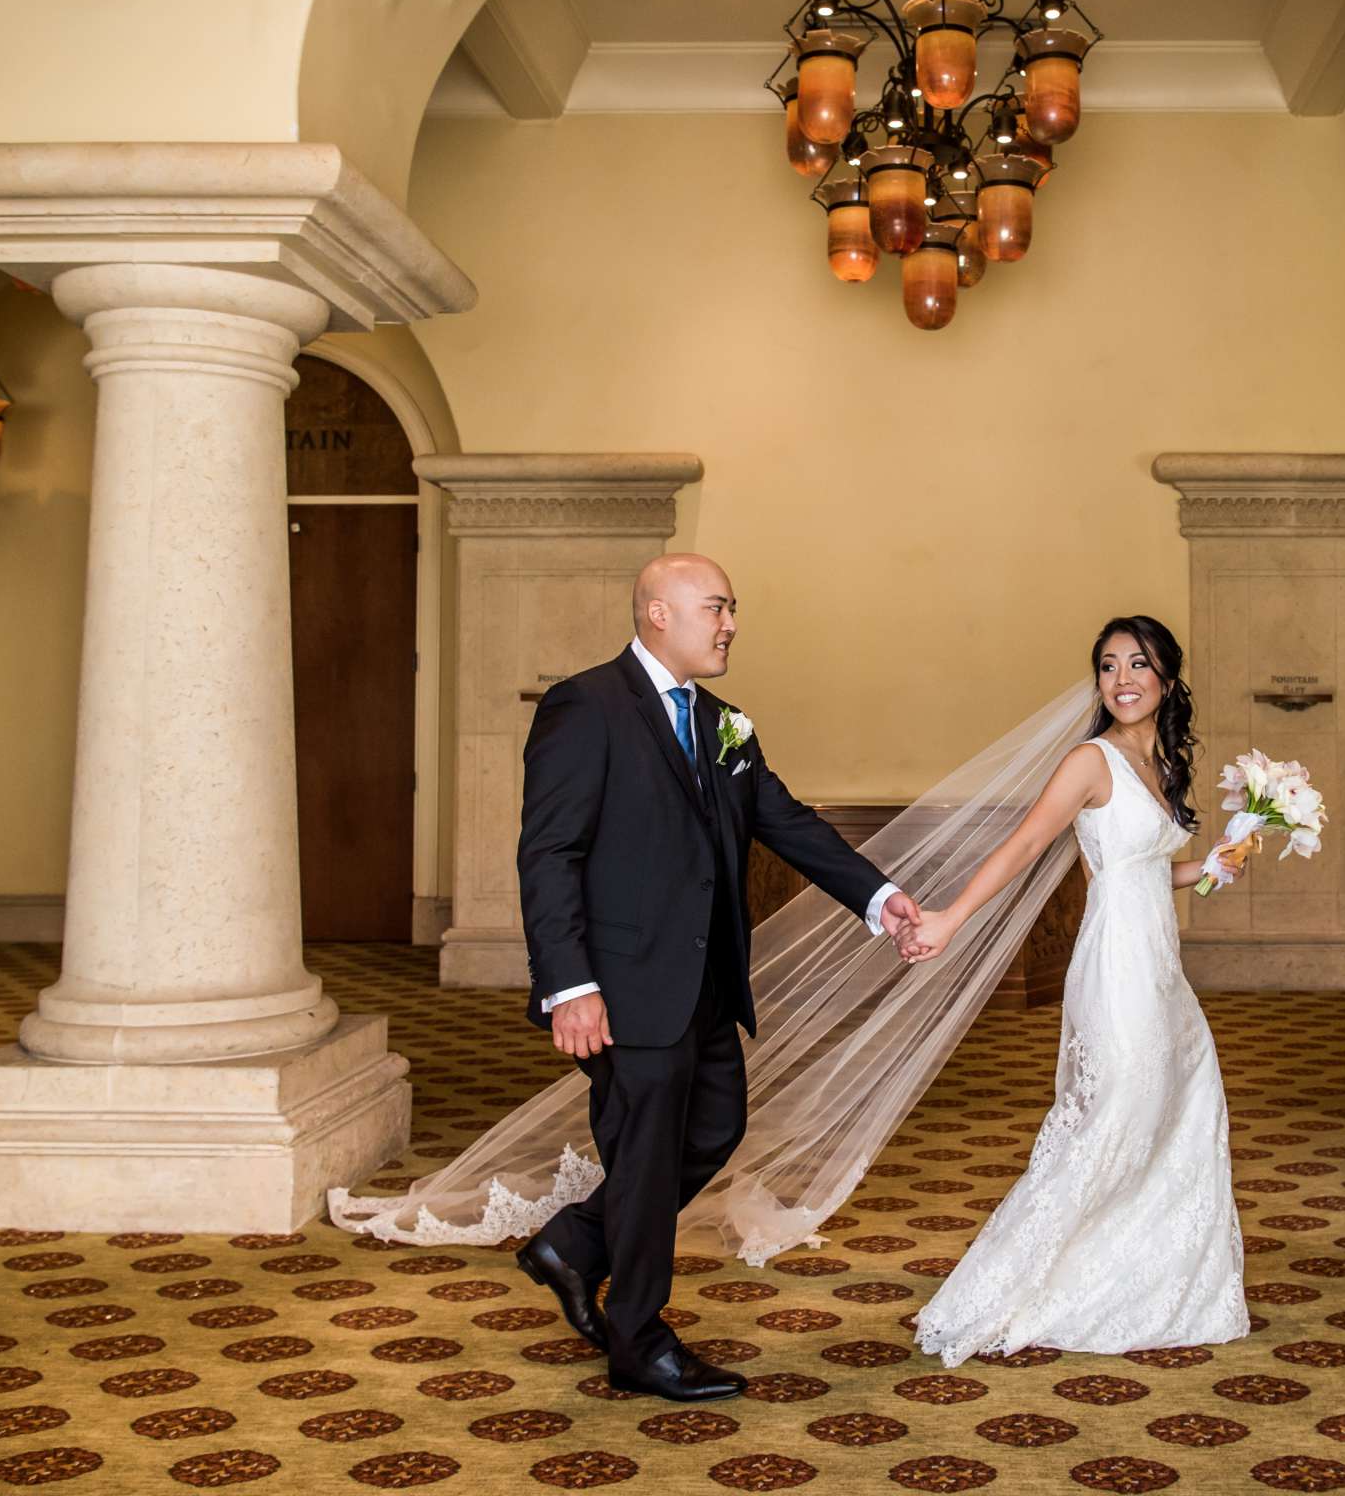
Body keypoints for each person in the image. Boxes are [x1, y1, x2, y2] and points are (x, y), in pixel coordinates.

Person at [511, 553, 922, 1403]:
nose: (731, 624)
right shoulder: (585, 706)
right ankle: (639, 1340)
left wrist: (878, 899)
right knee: (650, 1148)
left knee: (714, 1130)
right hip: (621, 989)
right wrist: (569, 984)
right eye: (717, 607)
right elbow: (550, 853)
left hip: (705, 987)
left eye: (733, 609)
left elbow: (785, 821)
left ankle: (577, 1244)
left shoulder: (727, 723)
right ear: (659, 613)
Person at [900, 615, 1253, 1366]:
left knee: (1178, 1109)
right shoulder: (1089, 761)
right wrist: (951, 919)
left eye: (1138, 664)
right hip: (1116, 969)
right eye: (1108, 665)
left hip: (1160, 970)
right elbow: (1027, 843)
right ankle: (1009, 1290)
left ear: (1166, 678)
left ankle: (1142, 1281)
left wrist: (1211, 869)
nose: (1122, 679)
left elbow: (1145, 873)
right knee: (1111, 1121)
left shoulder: (1159, 764)